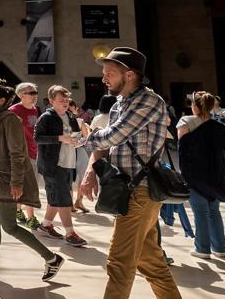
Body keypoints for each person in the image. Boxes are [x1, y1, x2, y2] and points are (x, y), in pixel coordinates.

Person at [79, 47, 181, 299]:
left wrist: (85, 139)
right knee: (151, 262)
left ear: (130, 75)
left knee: (119, 262)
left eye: (110, 73)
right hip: (128, 190)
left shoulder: (148, 100)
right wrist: (91, 171)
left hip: (141, 191)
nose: (104, 78)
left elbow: (114, 135)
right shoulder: (118, 105)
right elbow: (107, 145)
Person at [0, 84, 64, 283]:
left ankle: (52, 258)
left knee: (10, 226)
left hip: (4, 180)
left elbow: (18, 153)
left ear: (2, 101)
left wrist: (17, 182)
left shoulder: (9, 120)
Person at [177, 91, 225, 260]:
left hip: (195, 173)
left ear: (194, 105)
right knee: (214, 211)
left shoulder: (185, 122)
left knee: (200, 211)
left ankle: (202, 248)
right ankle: (220, 247)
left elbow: (182, 150)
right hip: (216, 172)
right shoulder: (219, 126)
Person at [33, 86, 86, 246]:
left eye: (66, 100)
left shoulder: (70, 116)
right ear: (51, 101)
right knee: (63, 199)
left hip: (69, 163)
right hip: (53, 165)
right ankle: (70, 233)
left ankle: (46, 225)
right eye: (61, 100)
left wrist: (81, 140)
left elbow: (76, 137)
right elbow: (37, 138)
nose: (65, 103)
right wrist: (59, 138)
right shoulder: (46, 118)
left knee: (57, 197)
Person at [9, 82, 41, 228]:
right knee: (29, 186)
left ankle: (17, 210)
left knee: (26, 185)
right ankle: (31, 218)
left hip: (34, 152)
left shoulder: (35, 110)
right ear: (21, 95)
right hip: (20, 154)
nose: (35, 96)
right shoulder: (13, 111)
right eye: (31, 93)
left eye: (36, 93)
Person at [69, 98, 92, 214]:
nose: (68, 108)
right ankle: (69, 204)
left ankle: (79, 201)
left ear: (75, 108)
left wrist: (77, 141)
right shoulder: (59, 121)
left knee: (83, 177)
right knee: (68, 178)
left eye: (70, 106)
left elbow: (87, 138)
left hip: (79, 152)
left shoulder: (80, 121)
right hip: (67, 153)